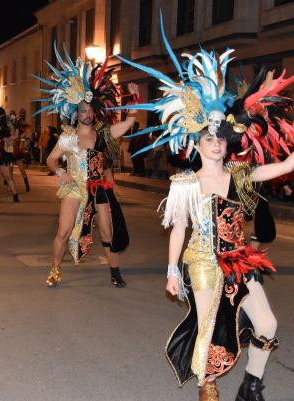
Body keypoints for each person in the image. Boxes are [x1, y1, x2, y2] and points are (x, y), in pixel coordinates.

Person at [114, 15, 294, 400]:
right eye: (207, 138)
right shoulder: (184, 184)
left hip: (240, 261)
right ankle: (206, 385)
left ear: (227, 144)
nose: (215, 143)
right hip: (202, 263)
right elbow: (178, 228)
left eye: (220, 139)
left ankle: (252, 384)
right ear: (195, 144)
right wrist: (170, 270)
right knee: (210, 327)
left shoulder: (241, 175)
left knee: (268, 323)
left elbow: (282, 166)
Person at [33, 44, 139, 288]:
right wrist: (60, 171)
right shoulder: (68, 137)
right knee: (64, 230)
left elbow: (130, 122)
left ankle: (115, 271)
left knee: (106, 232)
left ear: (96, 111)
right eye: (83, 110)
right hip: (73, 188)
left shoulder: (103, 134)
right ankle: (55, 269)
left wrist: (134, 97)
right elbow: (51, 159)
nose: (87, 113)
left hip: (99, 188)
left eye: (91, 109)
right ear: (75, 112)